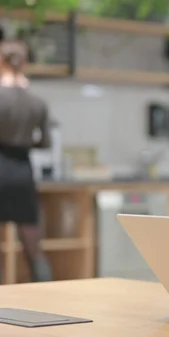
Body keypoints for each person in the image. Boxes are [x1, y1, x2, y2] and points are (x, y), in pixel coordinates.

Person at [0, 39, 53, 283]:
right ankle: (47, 296)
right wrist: (23, 143)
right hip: (23, 170)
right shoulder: (38, 102)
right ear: (25, 63)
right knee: (33, 247)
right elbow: (45, 142)